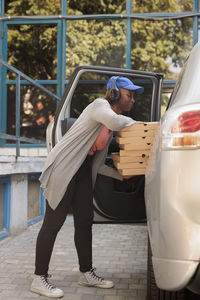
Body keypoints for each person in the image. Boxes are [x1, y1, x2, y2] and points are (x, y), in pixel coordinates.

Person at [30, 76, 144, 298]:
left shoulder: (109, 126)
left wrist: (123, 176)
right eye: (128, 95)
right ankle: (39, 278)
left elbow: (99, 165)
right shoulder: (99, 106)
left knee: (84, 222)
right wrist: (147, 127)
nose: (132, 100)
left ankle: (86, 272)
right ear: (114, 93)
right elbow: (115, 121)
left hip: (82, 171)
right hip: (64, 167)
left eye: (133, 96)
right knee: (53, 222)